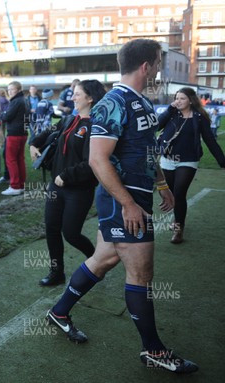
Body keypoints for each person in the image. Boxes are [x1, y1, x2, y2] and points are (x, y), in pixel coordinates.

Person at [46, 39, 198, 374]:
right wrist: (128, 204)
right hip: (122, 201)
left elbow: (145, 150)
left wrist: (161, 185)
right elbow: (98, 160)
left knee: (103, 260)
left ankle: (59, 312)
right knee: (141, 273)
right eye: (158, 62)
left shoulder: (139, 101)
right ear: (146, 66)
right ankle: (154, 351)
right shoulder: (112, 103)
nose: (159, 68)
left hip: (136, 196)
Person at [29, 80, 106, 286]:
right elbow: (47, 134)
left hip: (78, 189)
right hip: (57, 186)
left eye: (77, 94)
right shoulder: (68, 119)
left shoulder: (96, 126)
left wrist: (66, 175)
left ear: (90, 98)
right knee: (51, 228)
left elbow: (92, 162)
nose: (72, 97)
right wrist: (33, 144)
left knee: (71, 233)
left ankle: (97, 262)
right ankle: (57, 272)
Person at [157, 87, 225, 244]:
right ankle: (177, 217)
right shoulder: (172, 114)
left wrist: (222, 160)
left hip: (188, 160)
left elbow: (210, 140)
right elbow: (157, 126)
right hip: (167, 158)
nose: (178, 101)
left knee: (179, 193)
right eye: (177, 98)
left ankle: (178, 229)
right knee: (170, 194)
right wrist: (169, 109)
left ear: (190, 100)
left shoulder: (199, 118)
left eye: (182, 98)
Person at [0, 81, 29, 196]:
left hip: (14, 134)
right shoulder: (24, 100)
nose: (9, 91)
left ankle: (15, 186)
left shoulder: (16, 101)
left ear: (18, 90)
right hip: (22, 133)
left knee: (11, 160)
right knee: (19, 159)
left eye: (12, 89)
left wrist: (3, 114)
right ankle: (20, 185)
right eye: (8, 89)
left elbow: (6, 116)